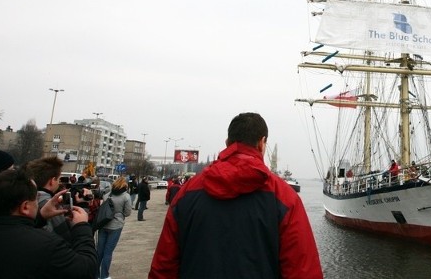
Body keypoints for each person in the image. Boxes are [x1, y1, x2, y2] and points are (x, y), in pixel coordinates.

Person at [149, 112, 323, 279]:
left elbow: (164, 266)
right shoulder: (285, 198)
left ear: (227, 143)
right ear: (262, 143)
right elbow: (302, 271)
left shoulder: (187, 193)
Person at [0, 168, 97, 278]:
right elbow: (86, 269)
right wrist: (81, 227)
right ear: (25, 207)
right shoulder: (47, 245)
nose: (38, 203)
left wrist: (40, 217)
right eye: (36, 198)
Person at [97, 176, 132, 279]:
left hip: (103, 224)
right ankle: (105, 276)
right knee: (108, 252)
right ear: (124, 185)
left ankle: (95, 274)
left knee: (99, 251)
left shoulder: (107, 195)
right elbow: (127, 212)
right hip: (116, 226)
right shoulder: (126, 196)